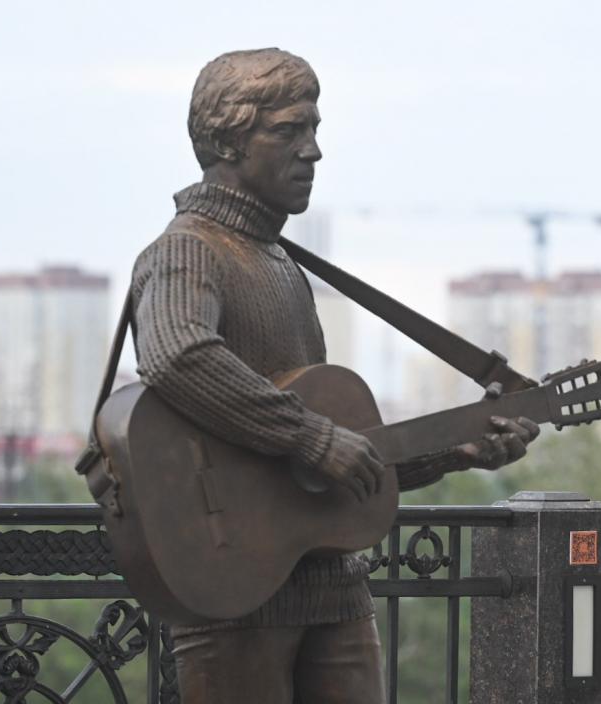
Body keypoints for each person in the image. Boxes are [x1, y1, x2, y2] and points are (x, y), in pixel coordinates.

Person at [130, 48, 539, 703]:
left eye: (315, 130)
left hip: (333, 586)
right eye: (290, 130)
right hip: (234, 590)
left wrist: (452, 452)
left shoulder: (280, 263)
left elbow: (329, 467)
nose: (313, 151)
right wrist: (313, 437)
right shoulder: (190, 248)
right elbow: (177, 354)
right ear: (228, 141)